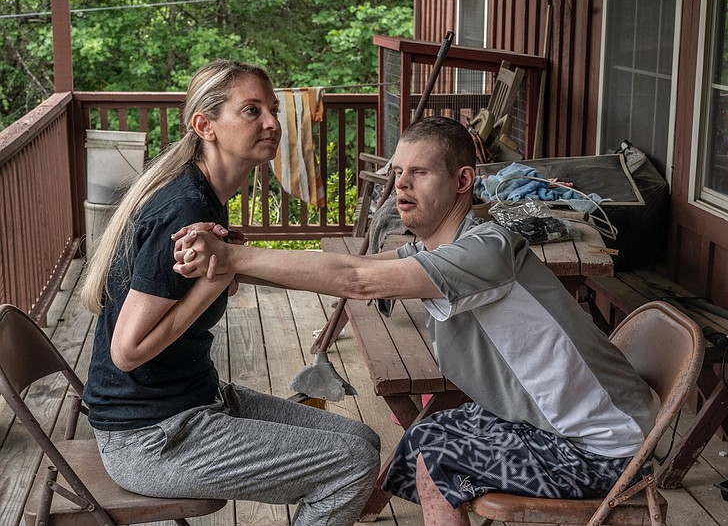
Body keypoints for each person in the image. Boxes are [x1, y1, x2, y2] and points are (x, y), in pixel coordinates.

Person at [172, 115, 659, 525]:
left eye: (419, 173)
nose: (399, 185)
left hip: (604, 448)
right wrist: (231, 257)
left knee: (436, 455)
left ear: (463, 181)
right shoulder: (442, 248)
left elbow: (358, 281)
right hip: (570, 426)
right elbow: (346, 273)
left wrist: (236, 260)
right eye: (397, 172)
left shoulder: (487, 250)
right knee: (429, 433)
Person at [80, 59, 380, 526]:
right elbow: (127, 351)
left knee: (364, 441)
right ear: (205, 125)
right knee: (352, 462)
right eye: (251, 110)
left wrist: (373, 270)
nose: (272, 122)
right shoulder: (184, 209)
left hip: (194, 401)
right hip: (151, 435)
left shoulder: (203, 194)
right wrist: (213, 284)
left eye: (274, 109)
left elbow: (234, 273)